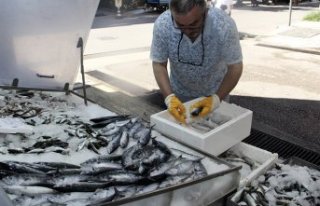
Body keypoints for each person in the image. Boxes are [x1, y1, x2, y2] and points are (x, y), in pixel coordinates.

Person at [150, 0, 243, 124]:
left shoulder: (223, 25)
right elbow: (158, 63)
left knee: (215, 136)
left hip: (216, 95)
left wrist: (215, 99)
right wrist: (169, 98)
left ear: (205, 12)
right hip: (179, 96)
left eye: (194, 24)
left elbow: (235, 67)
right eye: (180, 25)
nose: (187, 30)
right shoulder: (163, 24)